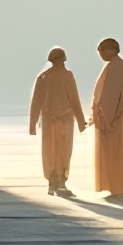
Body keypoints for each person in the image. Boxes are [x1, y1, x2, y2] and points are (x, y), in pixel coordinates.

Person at [28, 47, 86, 197]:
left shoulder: (44, 77)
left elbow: (36, 102)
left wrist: (32, 124)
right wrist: (81, 121)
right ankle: (61, 183)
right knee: (63, 151)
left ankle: (52, 183)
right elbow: (75, 100)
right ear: (63, 59)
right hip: (65, 121)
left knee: (49, 151)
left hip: (48, 121)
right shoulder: (67, 76)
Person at [89, 37, 123, 202]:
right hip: (121, 121)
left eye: (102, 51)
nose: (101, 55)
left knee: (114, 155)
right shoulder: (121, 67)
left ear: (110, 50)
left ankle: (117, 188)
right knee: (120, 154)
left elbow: (107, 98)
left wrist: (104, 120)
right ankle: (118, 187)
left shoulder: (114, 68)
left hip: (113, 122)